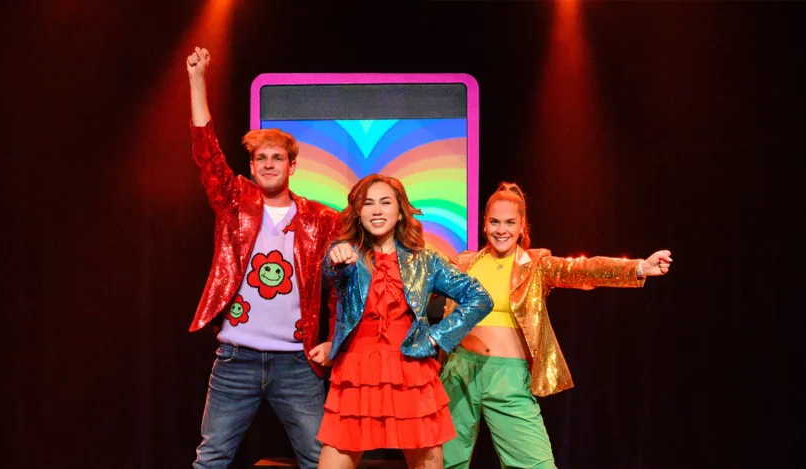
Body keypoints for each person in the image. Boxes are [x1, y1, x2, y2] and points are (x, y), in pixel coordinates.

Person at [440, 182, 672, 469]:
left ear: (522, 226)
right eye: (495, 222)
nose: (502, 230)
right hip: (460, 372)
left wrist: (638, 268)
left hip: (509, 378)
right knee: (445, 463)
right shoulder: (464, 263)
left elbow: (583, 270)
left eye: (510, 222)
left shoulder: (537, 265)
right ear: (484, 224)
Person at [186, 46, 341, 469]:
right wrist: (197, 81)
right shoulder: (234, 202)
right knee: (212, 457)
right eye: (261, 159)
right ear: (252, 167)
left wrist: (334, 339)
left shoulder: (322, 218)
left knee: (319, 459)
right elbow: (206, 152)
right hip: (236, 356)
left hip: (297, 361)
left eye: (277, 158)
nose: (269, 165)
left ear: (292, 165)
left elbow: (343, 286)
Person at [307, 174, 493, 469]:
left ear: (400, 211)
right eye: (368, 204)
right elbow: (334, 272)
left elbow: (479, 298)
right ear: (358, 212)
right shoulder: (347, 255)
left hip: (411, 371)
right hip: (356, 373)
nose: (377, 211)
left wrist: (436, 337)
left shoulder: (425, 261)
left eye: (385, 203)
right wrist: (337, 256)